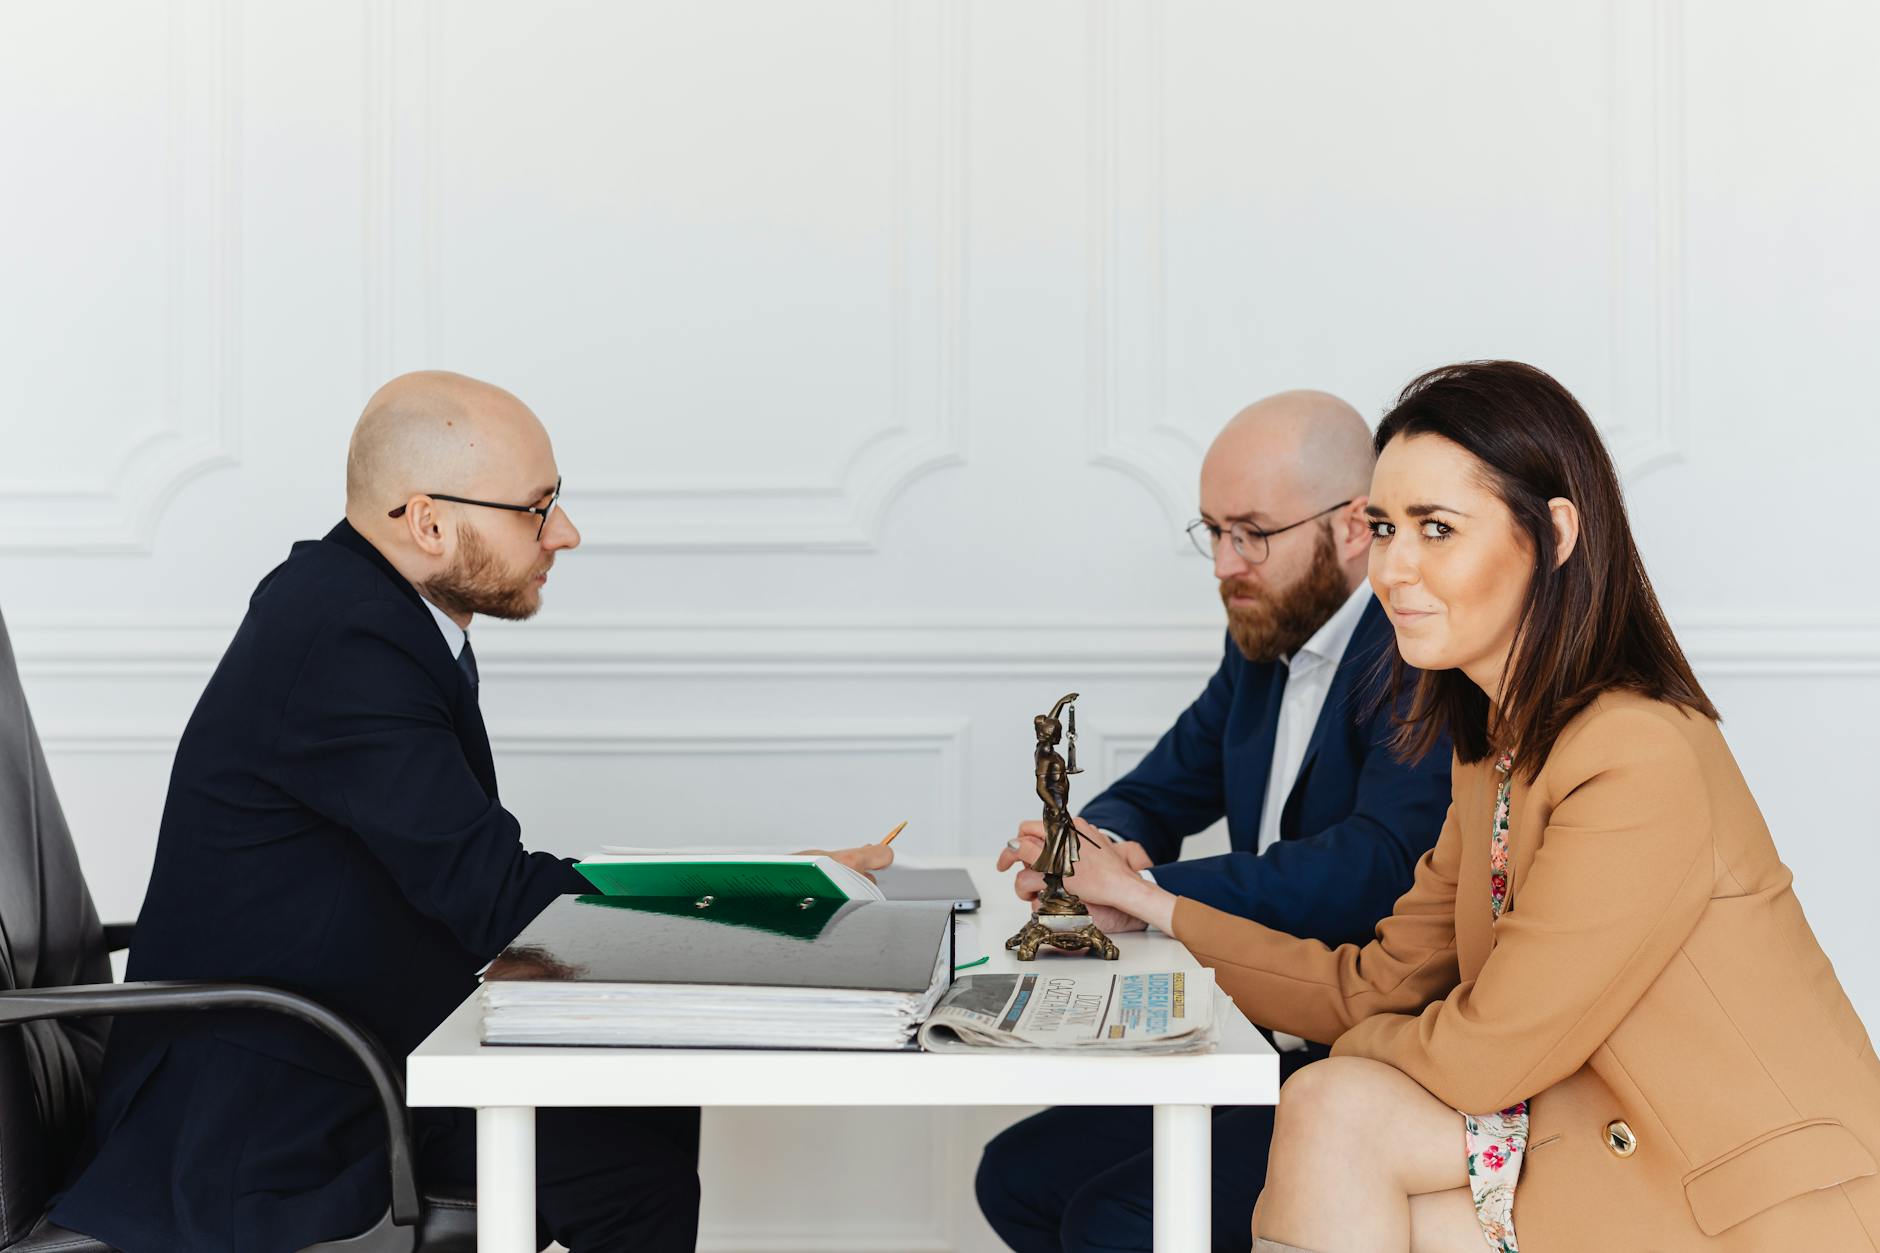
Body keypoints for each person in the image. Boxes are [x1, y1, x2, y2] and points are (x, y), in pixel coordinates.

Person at [1006, 361, 1880, 1251]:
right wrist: (1155, 905)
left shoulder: (1637, 753)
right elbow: (1378, 984)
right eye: (1385, 527)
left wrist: (1336, 1055)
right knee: (1331, 1117)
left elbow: (1484, 1053)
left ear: (1556, 535)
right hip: (1599, 1143)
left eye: (1437, 529)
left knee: (1330, 1105)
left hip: (1748, 1191)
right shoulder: (1490, 751)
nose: (1395, 567)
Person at [50, 372, 891, 1253]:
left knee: (646, 1105)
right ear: (428, 522)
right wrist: (760, 896)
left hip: (344, 1038)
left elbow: (468, 880)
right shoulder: (346, 635)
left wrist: (760, 882)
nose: (565, 532)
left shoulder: (374, 612)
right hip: (270, 1107)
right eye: (536, 508)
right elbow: (493, 895)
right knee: (632, 1171)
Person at [977, 391, 1453, 1251]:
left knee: (1114, 1217)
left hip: (1375, 1052)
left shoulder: (1418, 653)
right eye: (1213, 531)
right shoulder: (1264, 641)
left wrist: (1142, 890)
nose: (1224, 562)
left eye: (1252, 533)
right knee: (1016, 1176)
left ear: (1353, 526)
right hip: (1266, 1029)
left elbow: (1377, 864)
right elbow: (1164, 786)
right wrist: (1095, 844)